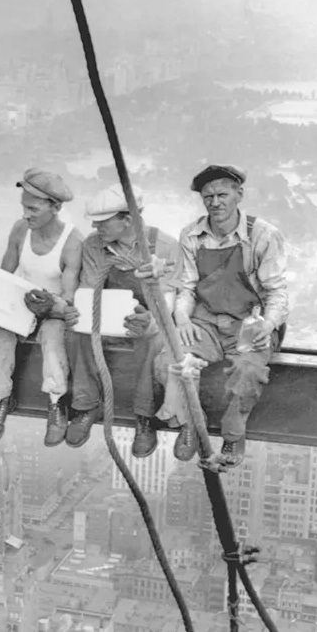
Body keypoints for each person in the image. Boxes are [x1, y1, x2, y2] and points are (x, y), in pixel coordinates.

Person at [155, 165, 288, 467]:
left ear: (239, 194)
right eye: (208, 197)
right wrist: (183, 318)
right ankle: (191, 424)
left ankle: (233, 434)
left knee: (248, 371)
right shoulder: (192, 234)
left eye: (222, 195)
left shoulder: (263, 235)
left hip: (249, 323)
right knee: (170, 360)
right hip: (206, 322)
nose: (215, 203)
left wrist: (267, 324)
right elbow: (186, 287)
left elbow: (277, 292)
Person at [65, 185, 180, 455]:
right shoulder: (94, 245)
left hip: (149, 317)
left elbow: (168, 300)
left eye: (102, 222)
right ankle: (86, 404)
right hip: (107, 313)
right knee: (76, 331)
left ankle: (144, 415)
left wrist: (149, 320)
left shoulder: (164, 246)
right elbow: (90, 289)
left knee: (153, 340)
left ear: (127, 220)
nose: (95, 226)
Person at [0, 168, 82, 444]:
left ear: (56, 207)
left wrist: (51, 305)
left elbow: (70, 296)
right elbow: (6, 274)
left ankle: (56, 401)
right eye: (24, 207)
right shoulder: (20, 229)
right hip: (21, 302)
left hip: (53, 309)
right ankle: (0, 397)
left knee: (52, 337)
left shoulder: (72, 242)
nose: (26, 214)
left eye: (33, 209)